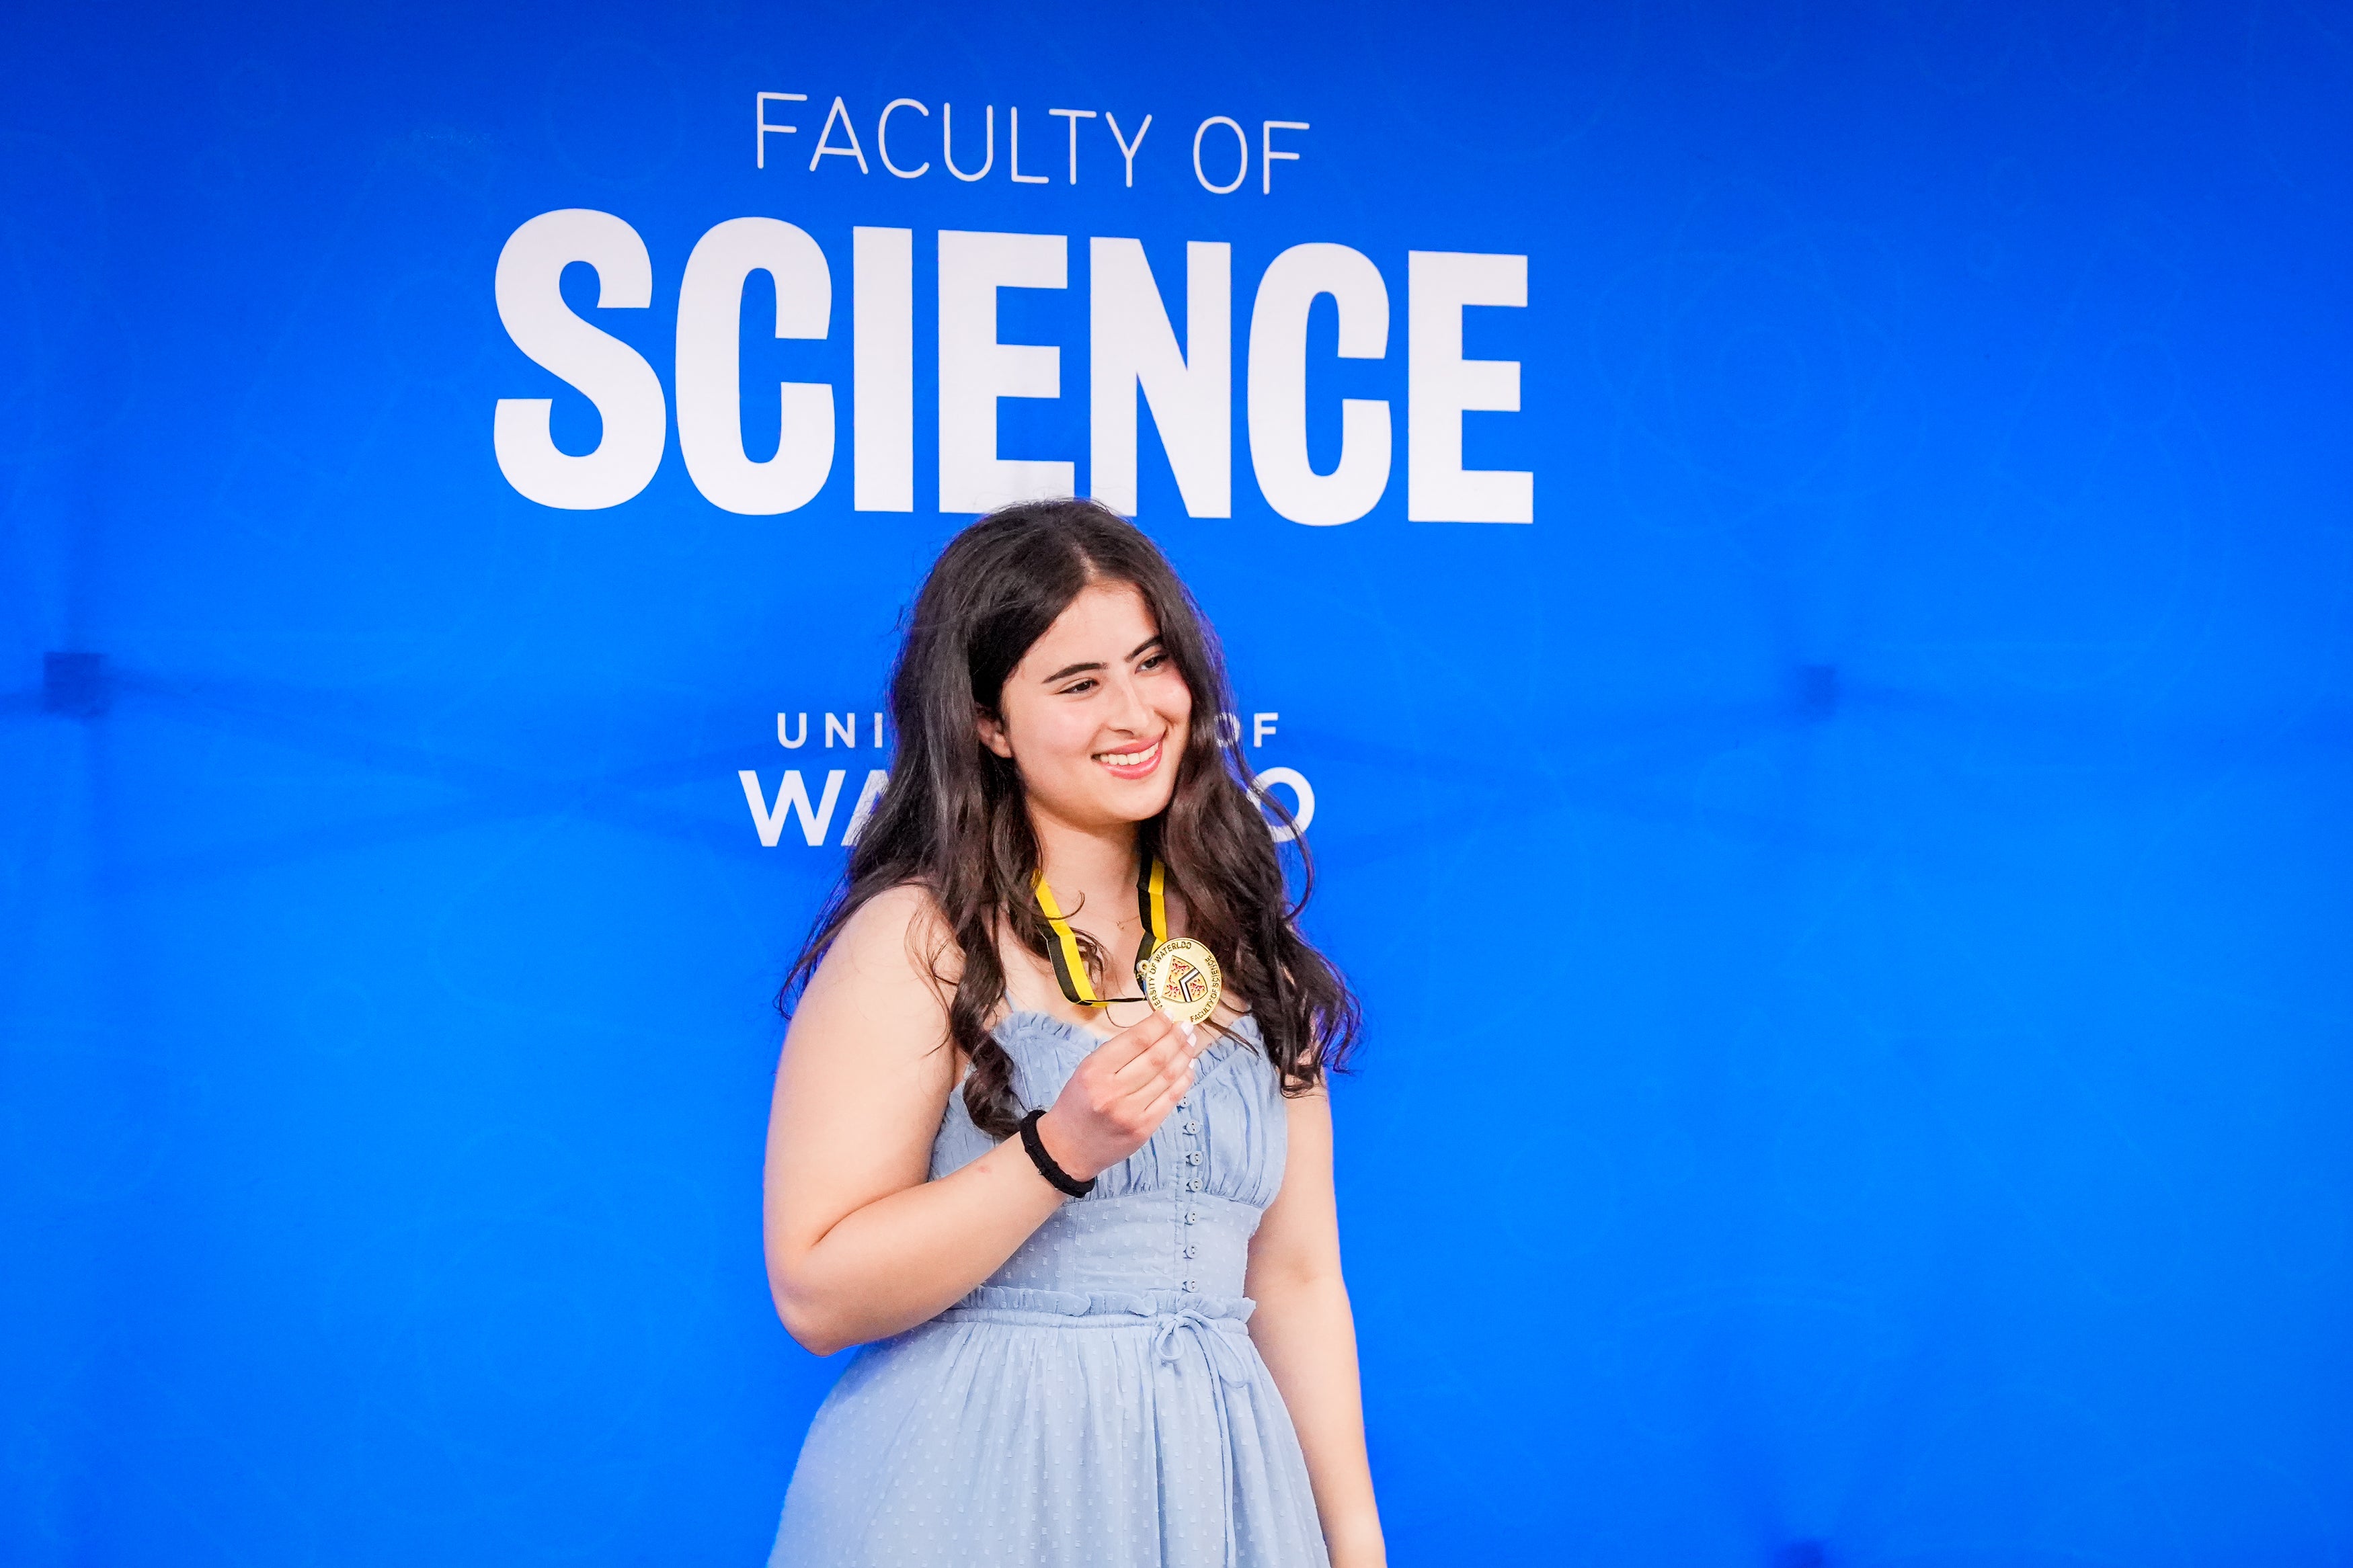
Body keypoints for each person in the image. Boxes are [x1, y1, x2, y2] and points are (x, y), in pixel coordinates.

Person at [762, 499, 1384, 1567]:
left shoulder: (1246, 951)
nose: (1136, 711)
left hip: (1220, 1496)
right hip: (976, 1490)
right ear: (989, 723)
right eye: (1080, 683)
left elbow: (1296, 1280)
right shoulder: (920, 937)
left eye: (1154, 664)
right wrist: (1058, 1153)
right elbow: (815, 1288)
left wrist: (1355, 1543)